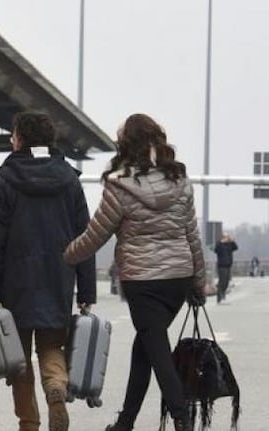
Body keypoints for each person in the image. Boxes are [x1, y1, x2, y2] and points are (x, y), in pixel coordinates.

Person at [63, 113, 205, 431]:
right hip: (177, 280)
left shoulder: (120, 186)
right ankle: (126, 421)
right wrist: (198, 280)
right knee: (145, 345)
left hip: (143, 281)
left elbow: (94, 236)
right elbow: (192, 234)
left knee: (156, 350)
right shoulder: (180, 181)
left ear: (126, 145)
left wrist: (64, 256)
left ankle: (182, 419)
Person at [0, 111, 96, 431]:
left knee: (18, 359)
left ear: (19, 139)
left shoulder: (3, 180)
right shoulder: (69, 180)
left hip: (14, 282)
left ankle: (29, 423)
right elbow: (84, 238)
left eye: (12, 135)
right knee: (51, 346)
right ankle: (56, 387)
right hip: (58, 278)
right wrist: (86, 291)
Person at [213, 233, 238, 303]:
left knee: (227, 282)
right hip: (221, 266)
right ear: (222, 238)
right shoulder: (219, 245)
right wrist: (220, 242)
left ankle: (223, 296)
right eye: (225, 237)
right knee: (222, 282)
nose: (226, 238)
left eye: (227, 237)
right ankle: (219, 298)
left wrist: (232, 240)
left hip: (228, 265)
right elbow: (215, 250)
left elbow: (236, 247)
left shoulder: (229, 245)